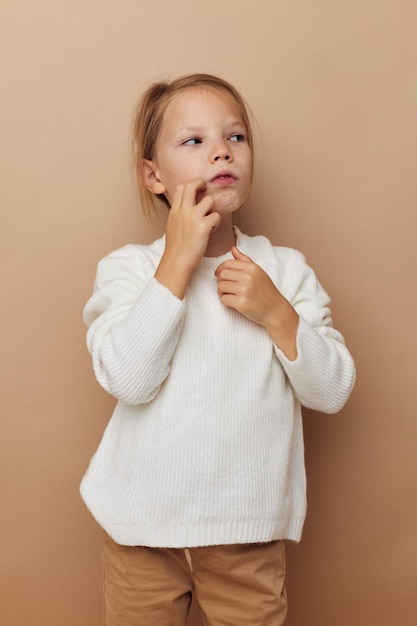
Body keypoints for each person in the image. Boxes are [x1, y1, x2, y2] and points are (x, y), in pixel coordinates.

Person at [81, 73, 355, 626]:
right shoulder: (130, 271)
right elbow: (127, 379)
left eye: (236, 137)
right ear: (153, 175)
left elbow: (333, 392)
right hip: (140, 532)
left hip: (245, 535)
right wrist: (176, 266)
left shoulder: (283, 271)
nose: (221, 150)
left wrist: (278, 313)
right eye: (194, 140)